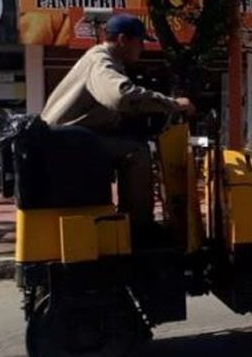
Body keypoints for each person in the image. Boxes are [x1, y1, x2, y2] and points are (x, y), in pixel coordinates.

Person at [40, 14, 195, 235]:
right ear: (123, 39)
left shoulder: (104, 60)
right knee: (136, 152)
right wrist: (173, 104)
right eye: (139, 42)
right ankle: (140, 227)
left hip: (70, 137)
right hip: (67, 140)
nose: (142, 48)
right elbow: (120, 97)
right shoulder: (101, 61)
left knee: (132, 142)